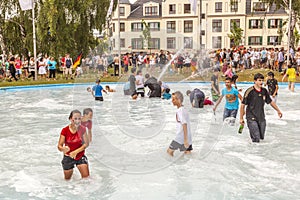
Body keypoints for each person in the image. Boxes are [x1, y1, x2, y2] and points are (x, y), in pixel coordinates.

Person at [240, 73, 282, 143]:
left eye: (262, 80)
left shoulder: (264, 91)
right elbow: (243, 105)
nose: (261, 82)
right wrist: (241, 118)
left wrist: (278, 110)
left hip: (261, 117)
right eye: (259, 80)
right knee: (256, 138)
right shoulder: (249, 91)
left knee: (261, 138)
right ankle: (253, 151)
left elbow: (270, 101)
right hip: (251, 117)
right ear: (255, 81)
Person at [57, 110, 89, 180]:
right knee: (67, 180)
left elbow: (86, 144)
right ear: (71, 119)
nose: (77, 121)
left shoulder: (82, 129)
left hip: (80, 156)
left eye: (79, 118)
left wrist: (75, 152)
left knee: (87, 179)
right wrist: (63, 149)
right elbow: (59, 146)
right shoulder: (65, 130)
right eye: (75, 118)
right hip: (68, 157)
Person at [167, 91, 192, 156]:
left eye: (173, 99)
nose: (172, 101)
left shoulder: (180, 111)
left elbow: (184, 124)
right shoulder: (184, 109)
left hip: (181, 137)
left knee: (169, 152)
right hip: (188, 136)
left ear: (179, 100)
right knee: (187, 154)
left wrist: (185, 140)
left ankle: (172, 165)